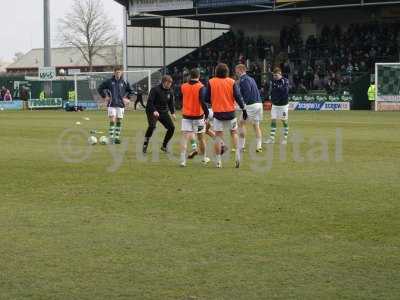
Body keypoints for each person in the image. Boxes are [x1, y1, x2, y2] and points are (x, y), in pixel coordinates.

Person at [205, 63, 247, 168]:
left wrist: (214, 100)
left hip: (218, 114)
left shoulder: (211, 82)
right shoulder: (232, 82)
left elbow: (206, 98)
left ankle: (219, 162)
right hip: (230, 113)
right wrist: (243, 109)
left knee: (218, 137)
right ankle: (237, 155)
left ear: (216, 71)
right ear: (227, 72)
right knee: (234, 133)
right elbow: (238, 97)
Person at [179, 68, 210, 167]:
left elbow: (181, 98)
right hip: (198, 117)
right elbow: (202, 101)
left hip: (186, 116)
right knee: (201, 138)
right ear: (199, 76)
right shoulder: (201, 87)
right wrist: (207, 113)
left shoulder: (183, 86)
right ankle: (204, 158)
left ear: (189, 76)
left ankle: (183, 161)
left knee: (184, 138)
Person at [97, 66, 133, 144]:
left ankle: (116, 138)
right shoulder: (109, 81)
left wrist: (127, 98)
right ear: (114, 72)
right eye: (116, 72)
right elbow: (100, 88)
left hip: (120, 104)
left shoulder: (124, 82)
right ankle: (111, 138)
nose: (118, 74)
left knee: (119, 120)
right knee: (112, 119)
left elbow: (131, 91)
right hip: (111, 104)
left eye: (119, 72)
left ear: (122, 72)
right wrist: (105, 96)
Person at [143, 75, 176, 154]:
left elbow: (171, 103)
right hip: (152, 110)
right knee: (152, 126)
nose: (170, 85)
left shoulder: (170, 91)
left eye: (171, 83)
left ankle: (164, 146)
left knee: (172, 128)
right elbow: (150, 102)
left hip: (163, 111)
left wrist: (173, 113)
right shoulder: (155, 90)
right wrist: (154, 110)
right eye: (168, 83)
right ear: (164, 82)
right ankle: (145, 144)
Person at [235, 64, 263, 153]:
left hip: (251, 105)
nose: (235, 72)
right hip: (259, 104)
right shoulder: (251, 78)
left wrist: (242, 106)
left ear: (240, 70)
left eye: (236, 70)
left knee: (240, 124)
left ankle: (241, 146)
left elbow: (247, 93)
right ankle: (259, 146)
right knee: (256, 125)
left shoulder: (243, 80)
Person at [264, 67, 290, 145]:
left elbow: (285, 91)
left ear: (280, 74)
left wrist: (278, 88)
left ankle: (285, 139)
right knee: (273, 120)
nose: (275, 77)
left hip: (283, 105)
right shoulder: (273, 81)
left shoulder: (285, 81)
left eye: (276, 75)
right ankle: (272, 139)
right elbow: (271, 91)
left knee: (284, 121)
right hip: (275, 105)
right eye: (274, 75)